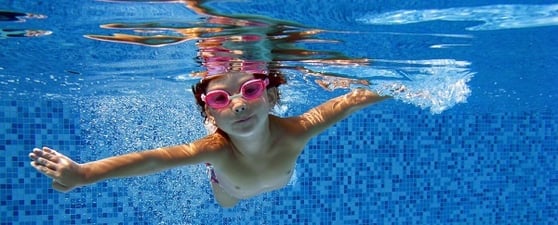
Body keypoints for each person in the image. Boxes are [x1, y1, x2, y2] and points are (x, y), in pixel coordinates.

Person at [29, 68, 391, 208]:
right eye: (220, 98)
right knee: (226, 204)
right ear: (209, 110)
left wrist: (396, 88)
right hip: (228, 185)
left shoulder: (298, 129)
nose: (237, 105)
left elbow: (347, 103)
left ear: (270, 96)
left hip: (275, 178)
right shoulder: (216, 151)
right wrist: (86, 174)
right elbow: (155, 159)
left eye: (249, 90)